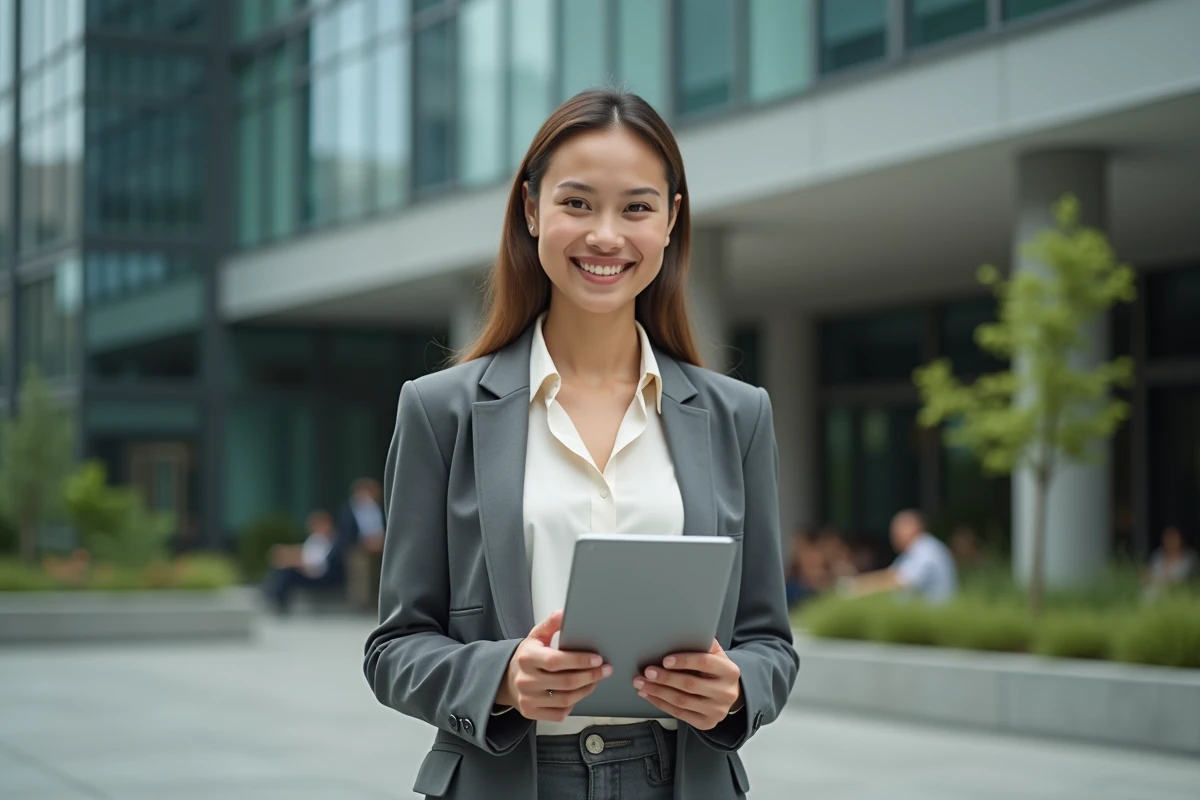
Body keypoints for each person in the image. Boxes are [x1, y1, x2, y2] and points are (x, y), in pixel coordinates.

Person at [363, 88, 798, 800]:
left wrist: (738, 687)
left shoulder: (737, 415)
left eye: (636, 207)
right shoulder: (440, 410)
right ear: (531, 210)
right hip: (510, 779)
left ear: (670, 223)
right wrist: (501, 677)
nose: (605, 235)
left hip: (681, 779)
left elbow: (770, 643)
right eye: (576, 203)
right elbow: (394, 648)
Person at [840, 510, 958, 604]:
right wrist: (858, 583)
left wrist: (856, 588)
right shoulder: (915, 550)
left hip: (932, 620)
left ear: (912, 530)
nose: (892, 537)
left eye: (896, 532)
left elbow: (899, 581)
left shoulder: (925, 550)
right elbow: (892, 574)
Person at [263, 510, 343, 614]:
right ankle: (272, 595)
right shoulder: (315, 538)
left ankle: (278, 601)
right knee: (282, 568)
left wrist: (296, 563)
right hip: (307, 570)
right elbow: (305, 554)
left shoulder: (333, 541)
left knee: (288, 572)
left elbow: (319, 565)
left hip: (322, 576)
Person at [338, 477, 385, 612]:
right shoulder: (348, 510)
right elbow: (346, 534)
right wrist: (366, 543)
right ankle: (362, 603)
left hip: (382, 546)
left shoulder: (381, 508)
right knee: (360, 563)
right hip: (358, 548)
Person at [1143, 524, 1196, 599]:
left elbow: (1178, 582)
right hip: (1154, 592)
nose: (1170, 541)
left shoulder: (1188, 558)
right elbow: (1147, 577)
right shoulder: (1158, 556)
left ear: (1180, 539)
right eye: (1167, 538)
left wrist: (1159, 582)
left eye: (1173, 537)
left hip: (1177, 595)